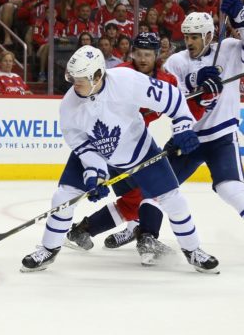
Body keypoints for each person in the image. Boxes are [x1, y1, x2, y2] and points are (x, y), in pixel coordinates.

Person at [20, 45, 219, 274]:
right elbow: (80, 144)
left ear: (98, 76)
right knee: (63, 196)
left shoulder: (126, 81)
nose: (75, 83)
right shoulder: (68, 105)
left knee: (174, 200)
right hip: (94, 150)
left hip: (139, 150)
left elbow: (172, 98)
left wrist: (183, 127)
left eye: (81, 78)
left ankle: (193, 250)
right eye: (72, 78)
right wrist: (95, 172)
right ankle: (49, 248)